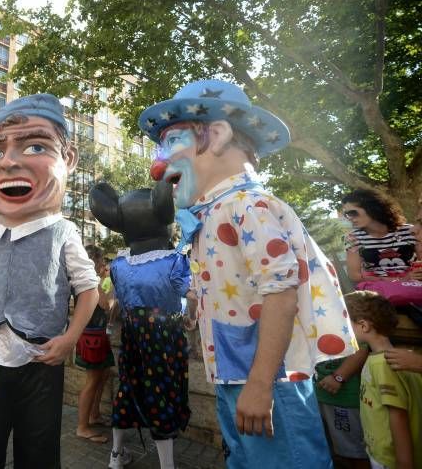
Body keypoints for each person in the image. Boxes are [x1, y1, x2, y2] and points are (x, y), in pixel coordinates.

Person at [141, 80, 357, 468]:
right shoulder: (215, 212)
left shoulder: (247, 206)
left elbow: (281, 292)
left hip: (267, 384)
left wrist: (259, 385)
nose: (159, 165)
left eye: (172, 142)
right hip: (235, 378)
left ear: (219, 134)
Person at [0, 94, 100, 469]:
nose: (12, 162)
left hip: (41, 359)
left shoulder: (62, 231)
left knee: (39, 449)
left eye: (35, 146)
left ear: (68, 159)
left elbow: (89, 289)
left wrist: (69, 339)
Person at [89, 180, 193, 469]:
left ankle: (115, 456)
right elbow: (190, 293)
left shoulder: (120, 265)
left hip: (134, 333)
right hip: (166, 334)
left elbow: (120, 299)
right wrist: (191, 315)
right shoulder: (174, 260)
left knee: (129, 387)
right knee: (164, 391)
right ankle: (166, 464)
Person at [344, 291, 422, 468]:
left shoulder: (383, 364)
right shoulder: (393, 358)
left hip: (390, 460)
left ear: (363, 326)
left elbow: (398, 416)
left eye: (345, 323)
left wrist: (404, 463)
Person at [74, 245, 114, 444]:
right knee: (92, 380)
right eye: (101, 261)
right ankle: (82, 426)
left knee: (103, 374)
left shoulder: (82, 279)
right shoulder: (91, 280)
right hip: (92, 336)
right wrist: (105, 280)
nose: (103, 265)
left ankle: (94, 414)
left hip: (94, 334)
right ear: (94, 262)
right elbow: (106, 305)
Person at [342, 189, 420, 283]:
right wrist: (398, 280)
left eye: (353, 213)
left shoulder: (409, 231)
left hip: (412, 287)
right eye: (347, 215)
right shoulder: (352, 238)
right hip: (377, 290)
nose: (350, 218)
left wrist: (414, 275)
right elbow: (355, 276)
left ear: (371, 208)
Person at [314, 349, 370, 468]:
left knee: (355, 454)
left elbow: (361, 349)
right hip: (317, 395)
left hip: (344, 400)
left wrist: (338, 377)